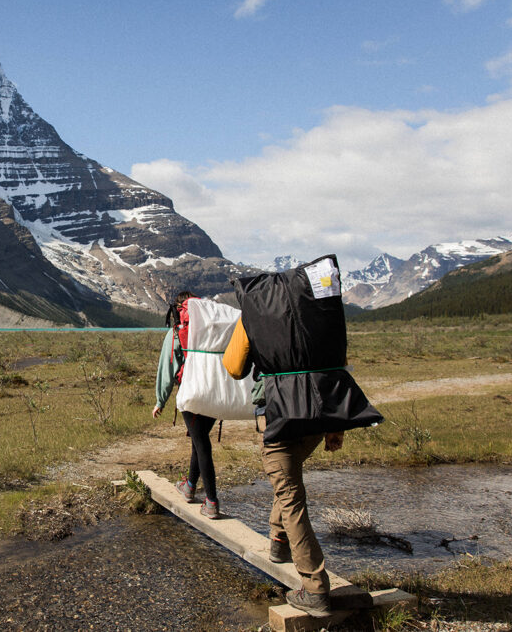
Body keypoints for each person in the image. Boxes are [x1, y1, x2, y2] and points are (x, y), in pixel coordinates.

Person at [223, 255, 382, 618]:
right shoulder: (315, 314)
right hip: (317, 417)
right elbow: (333, 361)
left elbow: (233, 368)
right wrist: (335, 426)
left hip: (277, 421)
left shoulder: (255, 317)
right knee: (289, 481)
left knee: (291, 497)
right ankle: (277, 540)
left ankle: (314, 589)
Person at [153, 291, 220, 519]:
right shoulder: (211, 330)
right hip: (216, 394)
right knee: (198, 439)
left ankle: (211, 501)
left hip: (192, 395)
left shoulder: (177, 332)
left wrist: (160, 401)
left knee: (201, 443)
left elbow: (167, 368)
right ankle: (190, 486)